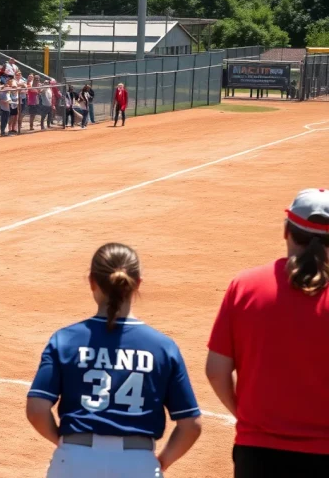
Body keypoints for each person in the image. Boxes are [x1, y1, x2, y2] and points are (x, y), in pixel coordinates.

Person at [26, 243, 202, 477]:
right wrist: (161, 461)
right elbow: (191, 425)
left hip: (75, 459)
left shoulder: (65, 339)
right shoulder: (163, 347)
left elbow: (37, 409)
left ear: (92, 282)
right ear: (137, 283)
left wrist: (65, 444)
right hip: (137, 463)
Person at [206, 189, 329, 477]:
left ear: (286, 230)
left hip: (257, 453)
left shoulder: (245, 286)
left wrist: (247, 417)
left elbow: (215, 370)